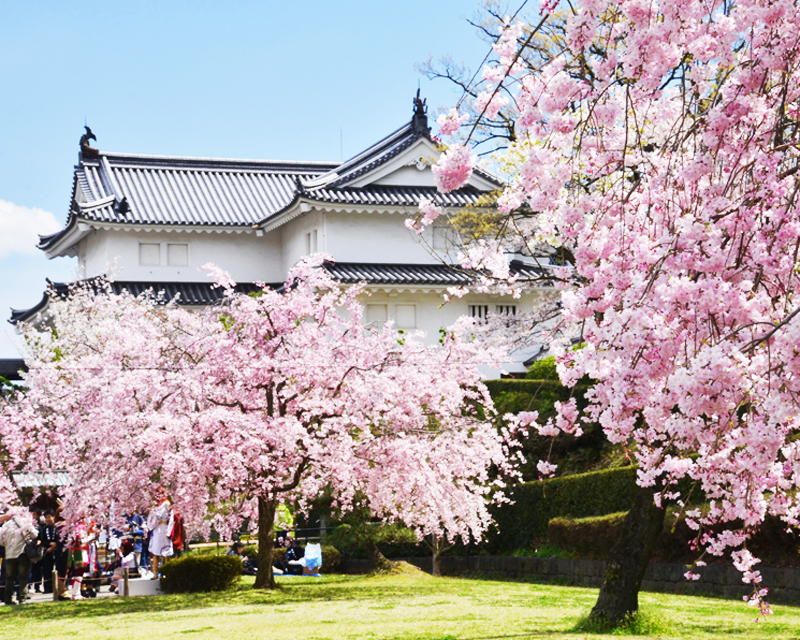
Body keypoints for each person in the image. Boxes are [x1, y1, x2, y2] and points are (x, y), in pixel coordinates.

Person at [0, 509, 39, 605]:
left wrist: (7, 546)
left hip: (9, 555)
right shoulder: (25, 523)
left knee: (9, 578)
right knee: (23, 577)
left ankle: (8, 599)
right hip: (22, 554)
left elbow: (0, 541)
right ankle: (22, 598)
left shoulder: (5, 525)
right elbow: (35, 534)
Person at [146, 489, 173, 579]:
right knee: (155, 551)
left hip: (163, 528)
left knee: (165, 551)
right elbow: (151, 516)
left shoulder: (166, 504)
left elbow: (159, 515)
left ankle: (167, 572)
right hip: (156, 530)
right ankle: (155, 573)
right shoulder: (155, 505)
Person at [38, 510, 58, 594]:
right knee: (46, 569)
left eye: (49, 517)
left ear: (53, 517)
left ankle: (59, 587)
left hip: (57, 550)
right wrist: (49, 544)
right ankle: (47, 587)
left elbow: (60, 538)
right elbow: (42, 540)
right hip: (47, 550)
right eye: (46, 517)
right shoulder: (44, 528)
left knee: (58, 568)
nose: (48, 519)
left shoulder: (57, 526)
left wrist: (54, 545)